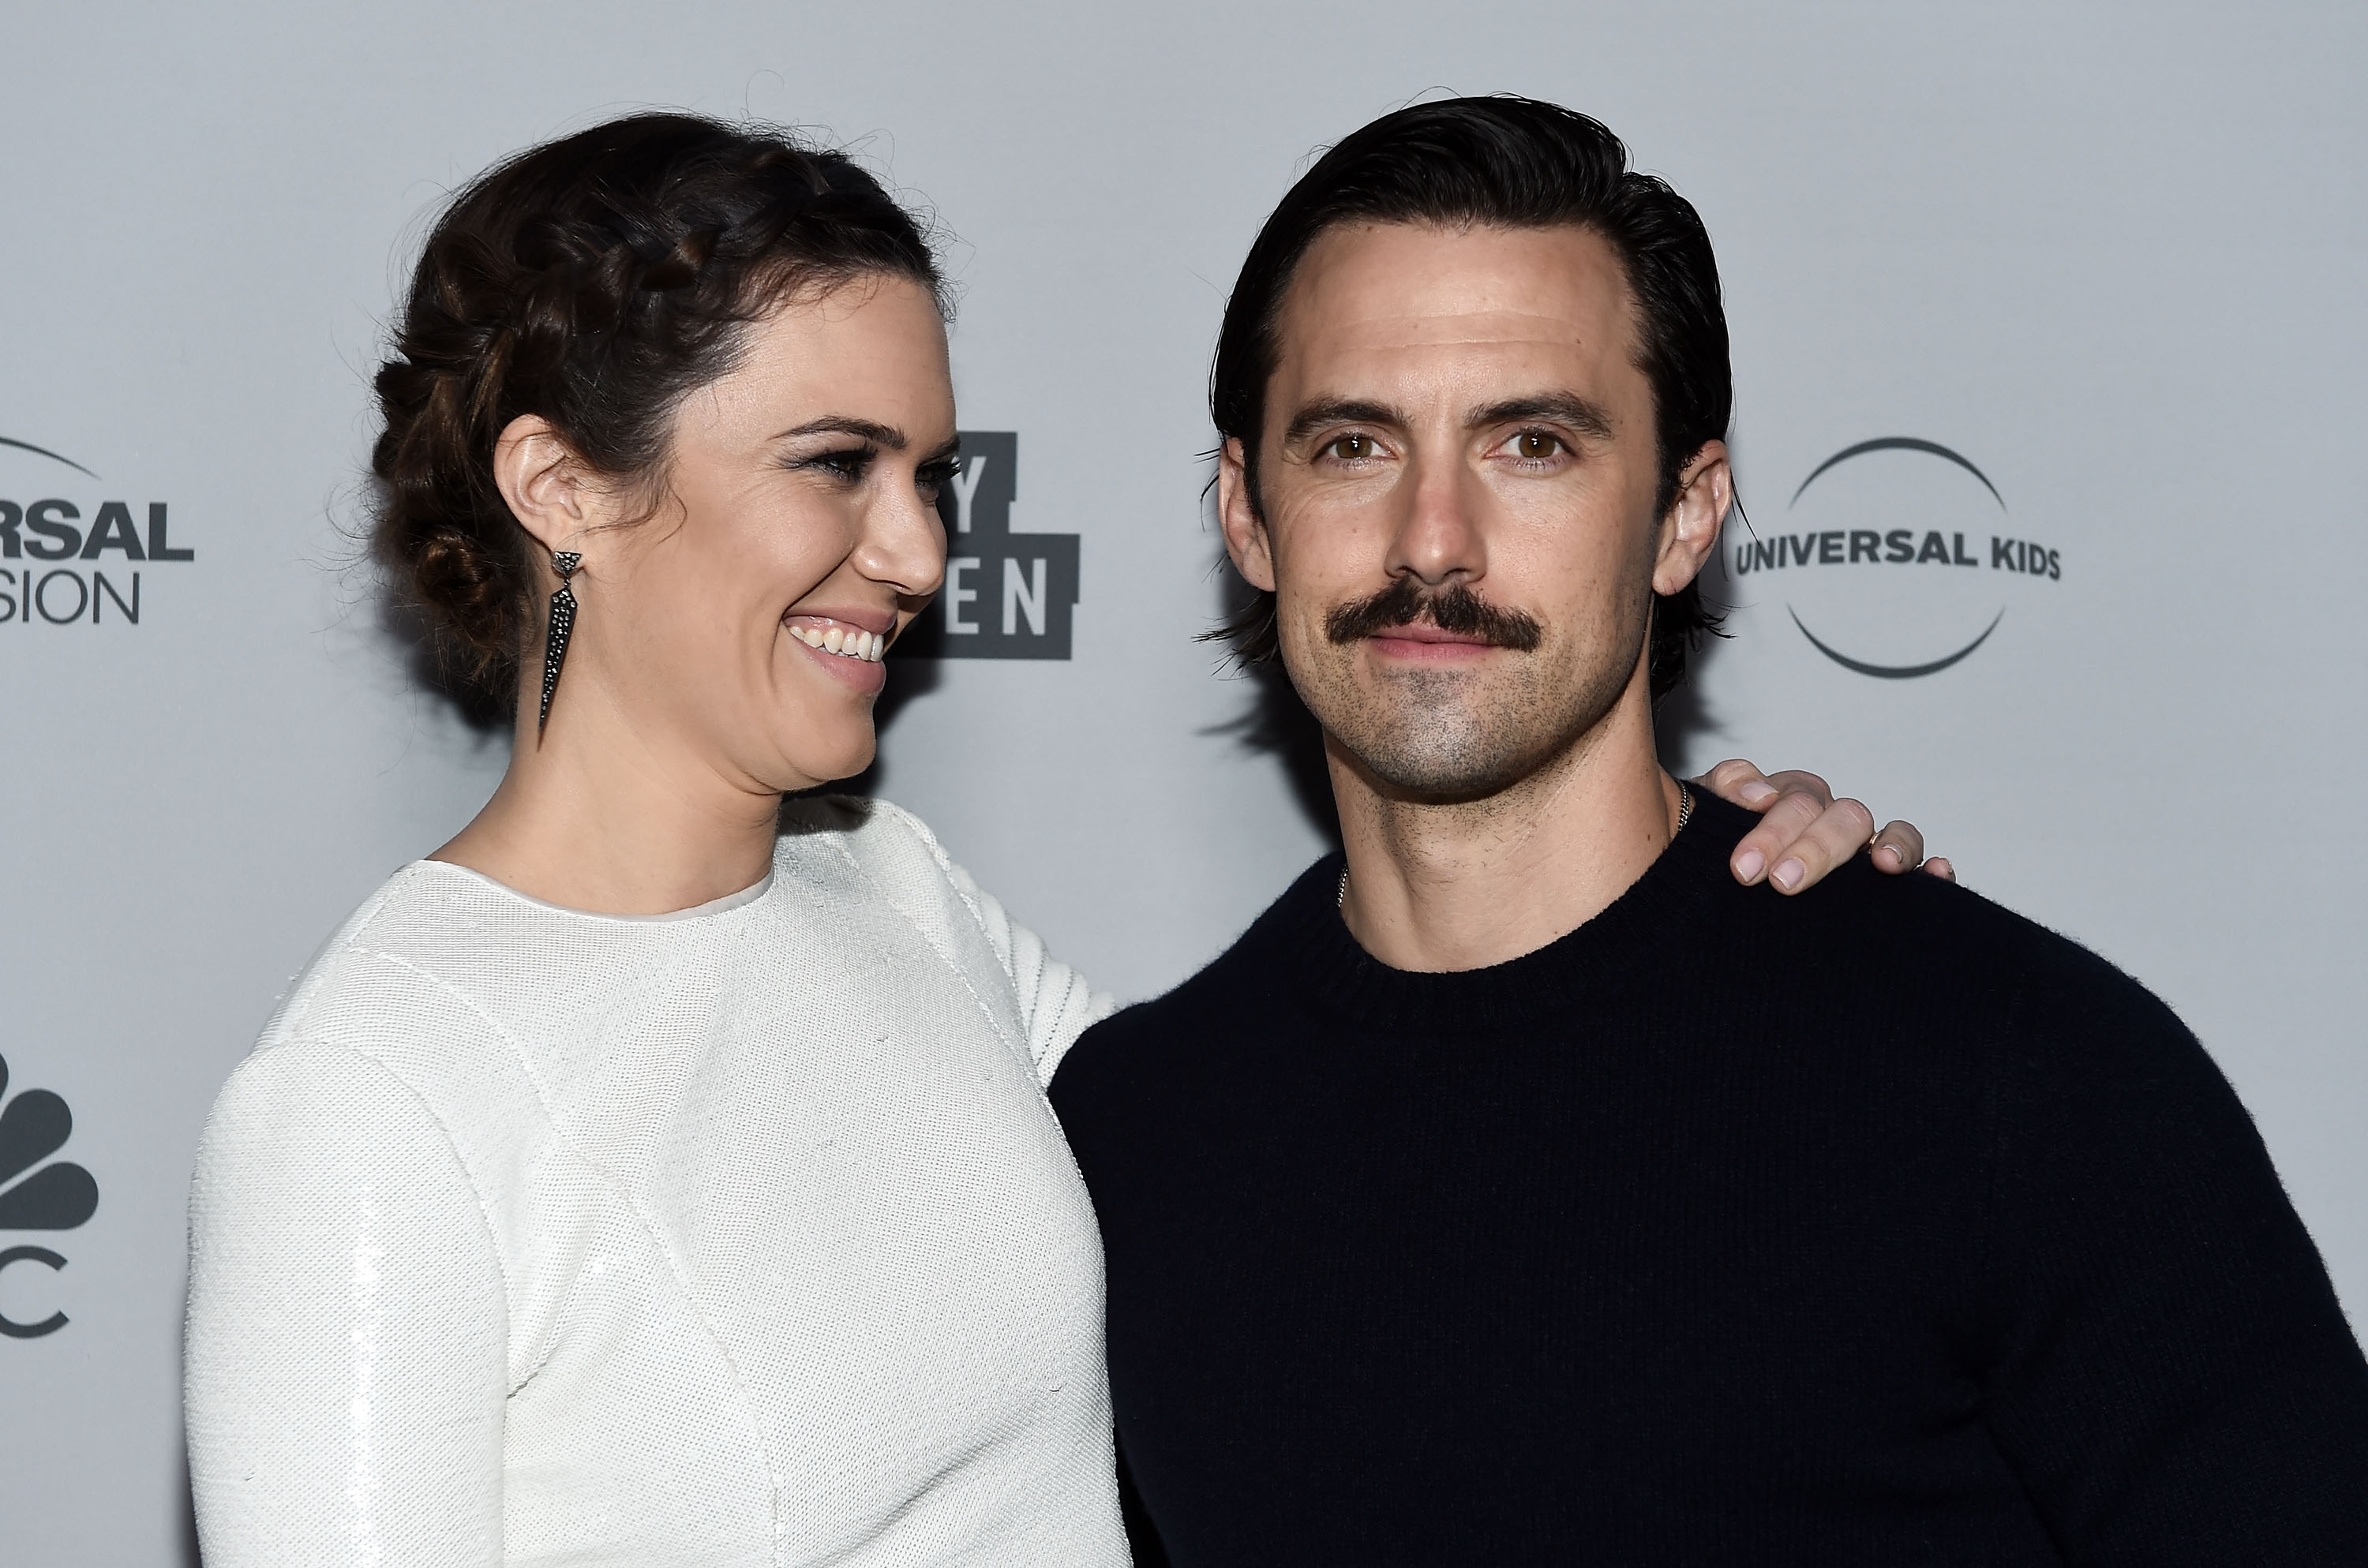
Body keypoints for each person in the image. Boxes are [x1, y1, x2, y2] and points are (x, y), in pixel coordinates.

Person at [182, 112, 1939, 1566]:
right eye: (835, 464)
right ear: (561, 486)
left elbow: (1362, 1149)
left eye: (931, 475)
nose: (920, 555)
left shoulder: (906, 903)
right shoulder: (369, 1099)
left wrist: (1711, 914)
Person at [1047, 96, 2368, 1566]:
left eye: (1531, 445)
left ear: (1687, 514)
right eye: (1355, 445)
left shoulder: (2007, 1073)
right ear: (1248, 512)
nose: (1433, 541)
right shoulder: (1132, 1140)